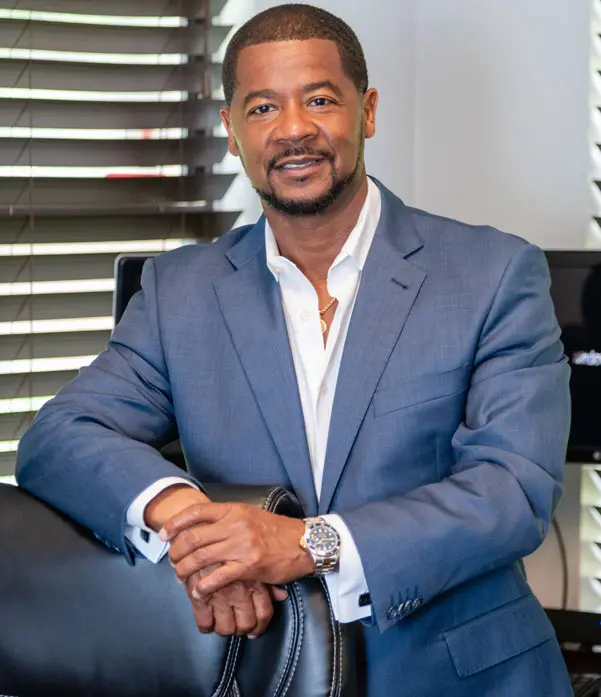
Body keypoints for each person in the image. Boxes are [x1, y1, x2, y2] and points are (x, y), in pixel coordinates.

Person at [16, 4, 572, 695]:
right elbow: (59, 436)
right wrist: (198, 530)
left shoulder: (492, 272)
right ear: (231, 131)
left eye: (318, 99)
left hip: (461, 674)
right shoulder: (178, 291)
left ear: (366, 111)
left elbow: (511, 489)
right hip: (265, 669)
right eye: (261, 107)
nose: (293, 130)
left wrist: (307, 544)